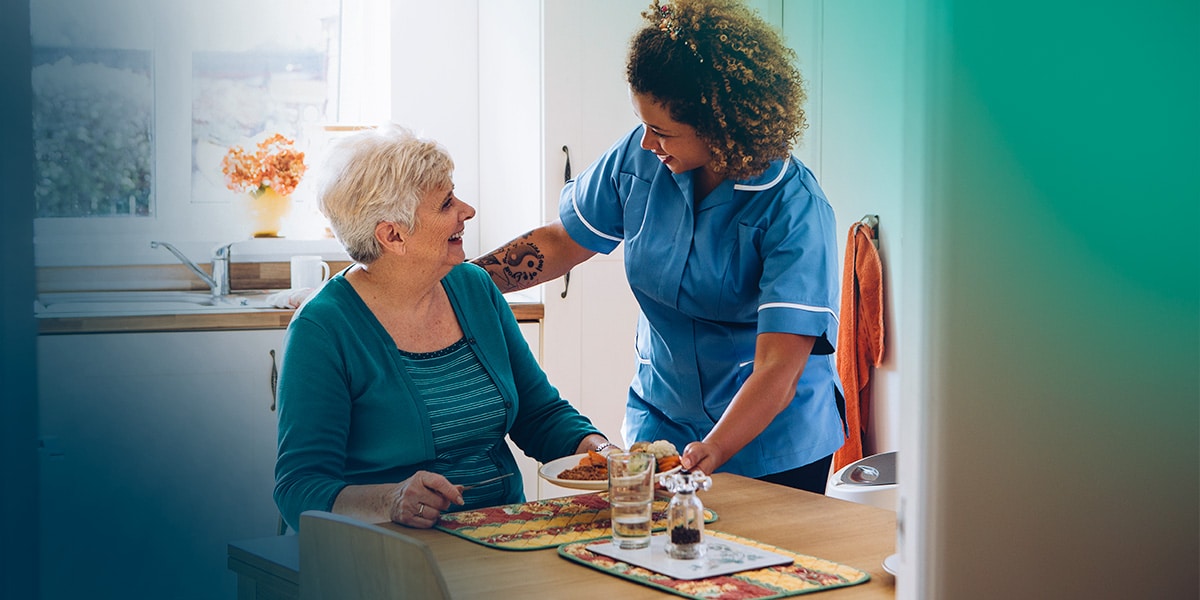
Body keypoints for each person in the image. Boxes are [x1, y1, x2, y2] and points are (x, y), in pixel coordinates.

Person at [473, 0, 844, 493]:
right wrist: (459, 284)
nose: (647, 142)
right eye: (643, 123)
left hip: (769, 443)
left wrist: (715, 448)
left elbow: (779, 367)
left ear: (722, 128)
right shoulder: (642, 157)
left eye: (663, 131)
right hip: (661, 424)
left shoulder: (793, 208)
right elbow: (563, 241)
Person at [274, 124, 614, 530]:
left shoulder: (473, 288)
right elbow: (299, 488)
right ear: (393, 235)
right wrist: (392, 499)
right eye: (446, 203)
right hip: (388, 551)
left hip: (501, 532)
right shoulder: (323, 328)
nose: (467, 211)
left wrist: (604, 453)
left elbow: (538, 414)